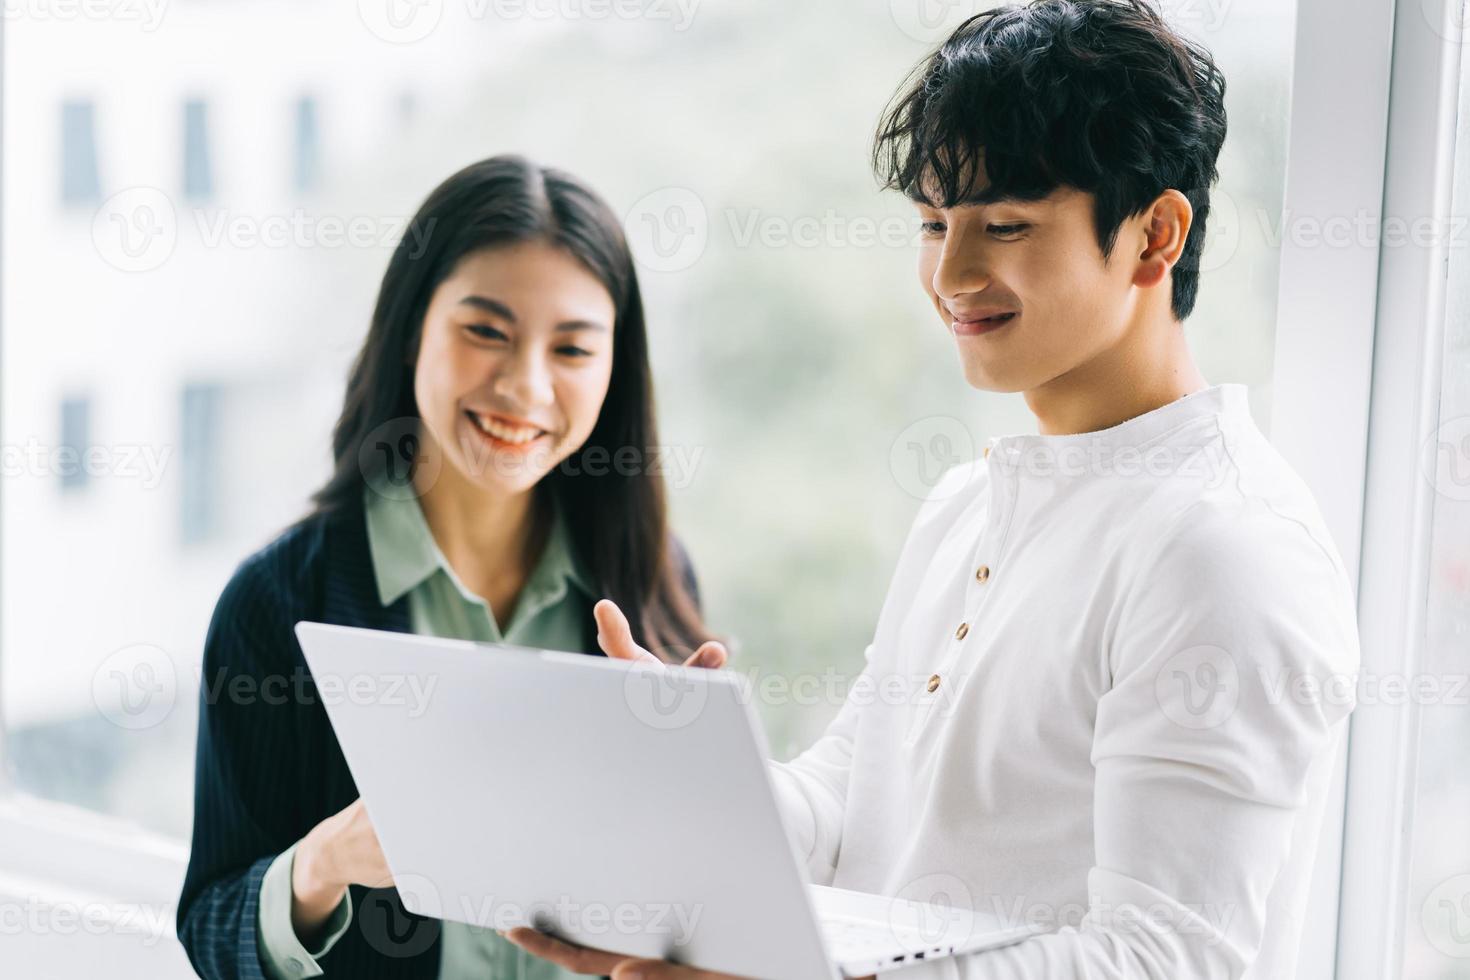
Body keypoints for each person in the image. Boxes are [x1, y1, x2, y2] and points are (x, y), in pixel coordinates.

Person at [506, 2, 1361, 978]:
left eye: (1003, 224)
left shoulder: (1223, 548)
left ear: (1156, 235)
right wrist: (699, 775)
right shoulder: (965, 503)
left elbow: (1161, 956)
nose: (951, 272)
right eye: (931, 222)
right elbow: (850, 818)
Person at [176, 154, 727, 980]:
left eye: (573, 350)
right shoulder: (279, 601)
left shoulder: (651, 576)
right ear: (410, 333)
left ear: (614, 372)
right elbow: (211, 927)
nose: (524, 386)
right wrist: (322, 864)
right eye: (486, 332)